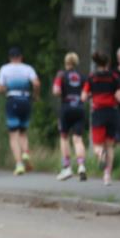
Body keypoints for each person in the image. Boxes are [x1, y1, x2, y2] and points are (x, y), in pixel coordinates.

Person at [82, 52, 120, 186]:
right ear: (107, 63)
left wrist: (92, 95)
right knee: (110, 146)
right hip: (112, 113)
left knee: (98, 146)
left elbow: (83, 97)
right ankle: (107, 176)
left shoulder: (92, 78)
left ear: (96, 63)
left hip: (98, 113)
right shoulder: (114, 77)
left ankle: (100, 155)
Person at [0, 46, 41, 175]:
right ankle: (26, 153)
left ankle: (19, 164)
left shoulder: (5, 69)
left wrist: (7, 89)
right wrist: (36, 95)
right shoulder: (28, 68)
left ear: (10, 58)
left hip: (13, 100)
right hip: (26, 100)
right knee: (23, 132)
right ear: (21, 57)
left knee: (13, 135)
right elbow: (37, 84)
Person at [52, 52, 88, 181]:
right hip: (79, 108)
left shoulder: (61, 75)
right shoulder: (82, 76)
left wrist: (62, 92)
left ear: (66, 62)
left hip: (66, 108)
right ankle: (81, 166)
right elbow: (86, 94)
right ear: (76, 62)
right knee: (78, 139)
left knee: (64, 137)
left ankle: (67, 168)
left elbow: (56, 91)